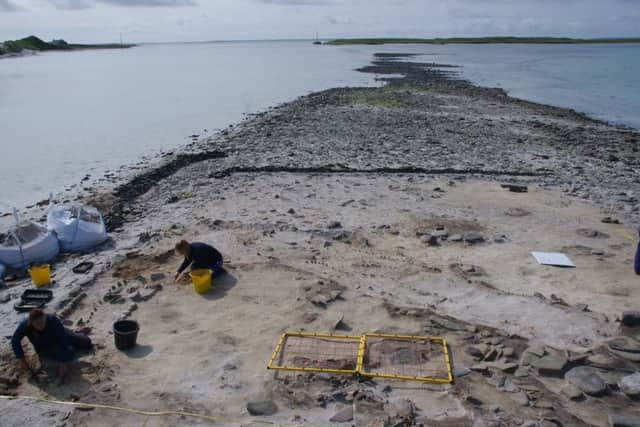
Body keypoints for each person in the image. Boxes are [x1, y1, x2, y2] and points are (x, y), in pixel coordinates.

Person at [11, 309, 92, 378]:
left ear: (45, 317)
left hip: (59, 336)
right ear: (32, 323)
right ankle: (72, 339)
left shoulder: (52, 320)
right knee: (69, 353)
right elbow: (15, 340)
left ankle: (75, 332)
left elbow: (63, 339)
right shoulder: (25, 325)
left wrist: (63, 361)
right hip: (44, 347)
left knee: (87, 342)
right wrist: (21, 359)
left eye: (42, 322)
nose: (41, 326)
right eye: (37, 324)